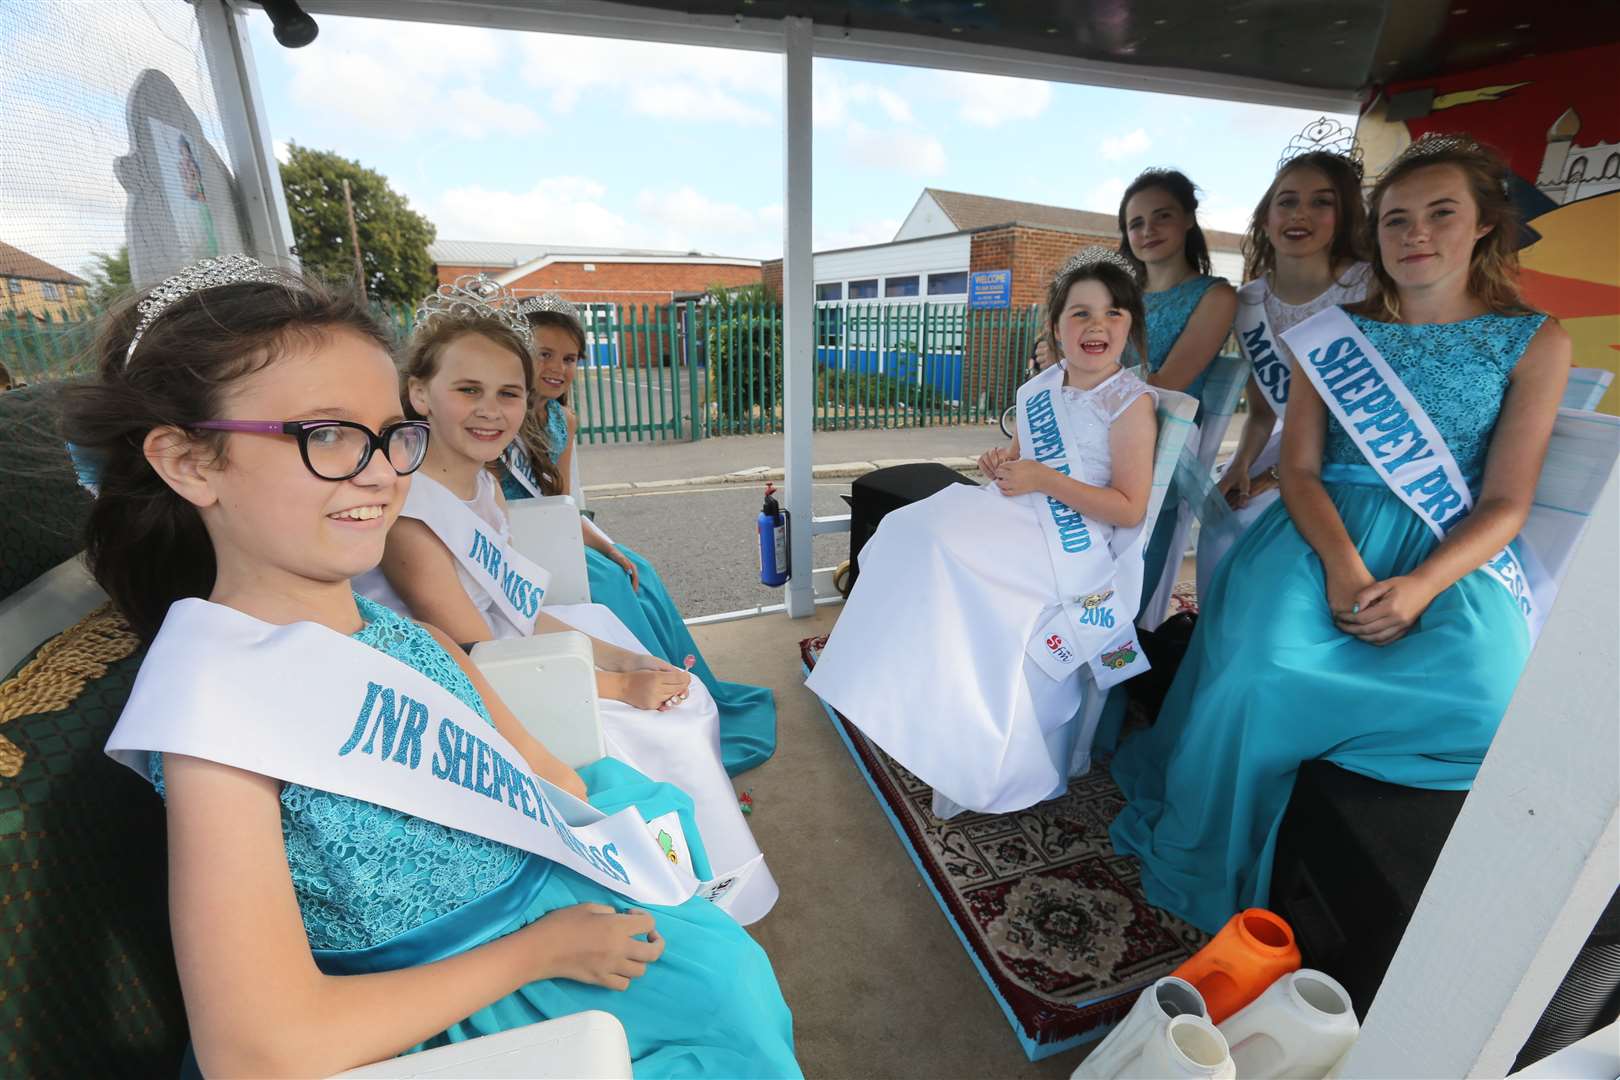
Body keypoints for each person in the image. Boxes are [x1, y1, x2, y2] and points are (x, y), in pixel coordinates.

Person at [66, 257, 799, 1077]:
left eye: (388, 434)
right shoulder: (214, 717)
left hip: (562, 910)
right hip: (476, 1015)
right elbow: (259, 1050)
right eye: (328, 433)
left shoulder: (398, 635)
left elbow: (545, 769)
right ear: (190, 462)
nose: (382, 472)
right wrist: (541, 953)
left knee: (730, 986)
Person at [1109, 135, 1570, 934]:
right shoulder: (1326, 333)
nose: (1415, 234)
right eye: (1397, 220)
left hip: (1449, 547)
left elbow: (1506, 501)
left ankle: (1311, 796)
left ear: (1485, 226)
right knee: (1267, 673)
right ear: (1377, 232)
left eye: (1440, 214)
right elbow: (1300, 472)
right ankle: (1251, 820)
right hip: (1315, 535)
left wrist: (1423, 584)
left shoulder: (1535, 341)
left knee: (1487, 702)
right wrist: (1345, 570)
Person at [357, 277, 777, 924]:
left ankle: (698, 862)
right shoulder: (412, 517)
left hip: (511, 663)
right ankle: (665, 884)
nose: (490, 410)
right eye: (468, 390)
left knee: (672, 688)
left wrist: (626, 662)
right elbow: (486, 655)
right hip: (465, 695)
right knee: (656, 724)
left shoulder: (483, 486)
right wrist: (616, 687)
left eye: (508, 393)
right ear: (420, 393)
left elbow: (518, 611)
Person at [807, 249, 1158, 817]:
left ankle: (975, 740)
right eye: (1080, 314)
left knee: (945, 556)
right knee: (904, 530)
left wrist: (1041, 477)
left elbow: (1127, 507)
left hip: (1071, 540)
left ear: (1131, 326)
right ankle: (908, 703)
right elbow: (1021, 459)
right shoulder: (1042, 387)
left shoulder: (1129, 404)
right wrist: (1002, 461)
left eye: (1114, 314)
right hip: (1015, 512)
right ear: (1055, 326)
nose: (1097, 326)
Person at [501, 294, 778, 778]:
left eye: (569, 359)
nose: (557, 367)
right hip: (511, 548)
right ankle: (645, 693)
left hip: (553, 538)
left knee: (635, 570)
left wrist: (608, 545)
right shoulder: (495, 417)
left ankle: (677, 681)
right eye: (544, 353)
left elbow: (560, 506)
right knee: (609, 589)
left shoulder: (563, 421)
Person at [1195, 128, 1373, 600]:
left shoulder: (1370, 289)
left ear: (1346, 214)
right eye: (1287, 201)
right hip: (1290, 446)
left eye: (1321, 202)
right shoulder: (1249, 301)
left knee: (1269, 538)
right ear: (1267, 217)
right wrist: (1240, 465)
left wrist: (1272, 477)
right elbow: (1261, 411)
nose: (1300, 214)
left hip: (1362, 460)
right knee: (1222, 520)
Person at [1115, 168, 1238, 620]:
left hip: (1160, 449)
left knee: (1125, 585)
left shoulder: (1216, 296)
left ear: (1188, 218)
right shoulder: (1117, 293)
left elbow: (1169, 382)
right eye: (1136, 223)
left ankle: (1114, 678)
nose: (1147, 231)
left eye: (1161, 216)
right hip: (1101, 432)